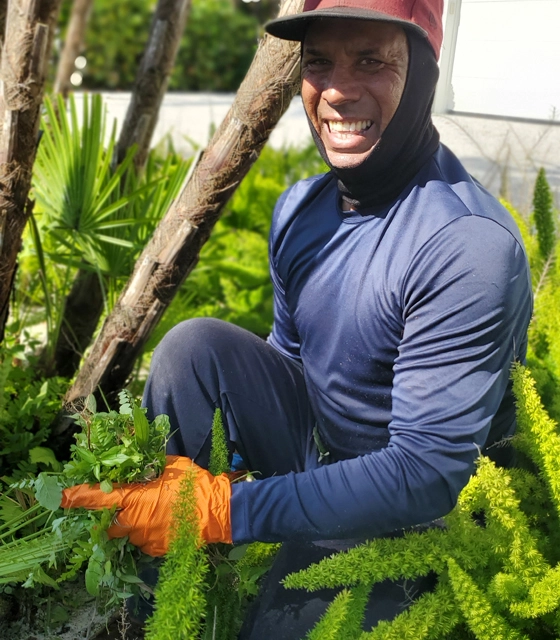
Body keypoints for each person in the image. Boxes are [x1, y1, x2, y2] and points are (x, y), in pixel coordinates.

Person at [62, 0, 533, 636]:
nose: (338, 90)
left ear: (421, 71)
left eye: (371, 60)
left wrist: (228, 509)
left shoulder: (464, 244)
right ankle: (158, 590)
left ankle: (208, 531)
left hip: (414, 515)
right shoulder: (302, 208)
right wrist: (224, 484)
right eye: (319, 62)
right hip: (327, 456)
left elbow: (425, 473)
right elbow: (290, 362)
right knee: (194, 347)